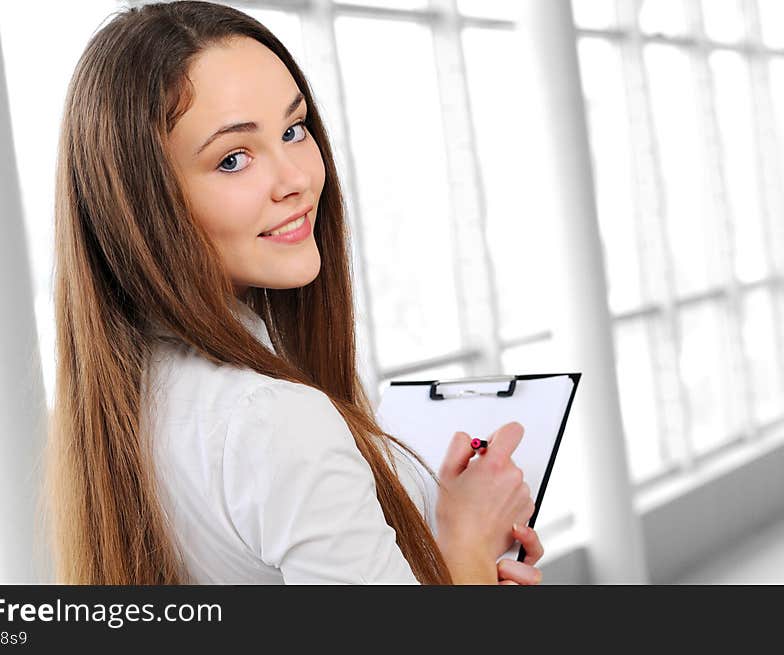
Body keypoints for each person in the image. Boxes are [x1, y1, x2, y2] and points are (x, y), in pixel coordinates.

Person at [44, 0, 543, 585]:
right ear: (145, 207)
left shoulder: (123, 401)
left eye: (294, 129)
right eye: (233, 159)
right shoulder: (275, 422)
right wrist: (467, 545)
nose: (299, 179)